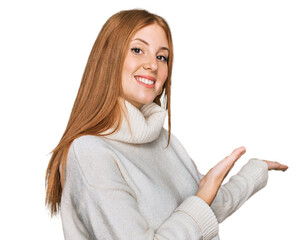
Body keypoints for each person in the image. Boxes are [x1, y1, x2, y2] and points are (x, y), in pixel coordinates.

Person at [45, 8, 288, 240]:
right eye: (138, 50)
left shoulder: (161, 140)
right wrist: (202, 197)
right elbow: (198, 207)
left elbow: (206, 209)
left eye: (162, 56)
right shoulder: (89, 151)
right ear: (109, 58)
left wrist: (255, 171)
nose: (153, 64)